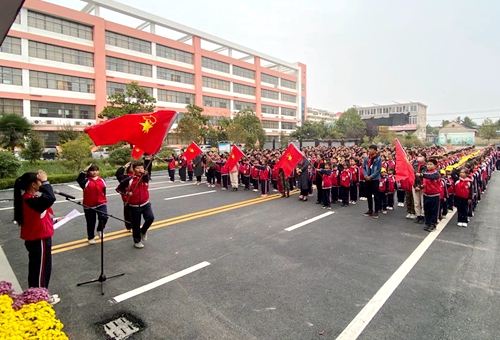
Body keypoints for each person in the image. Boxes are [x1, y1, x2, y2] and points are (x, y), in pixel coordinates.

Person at [14, 170, 60, 305]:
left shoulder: (30, 200)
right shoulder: (29, 200)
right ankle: (39, 299)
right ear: (33, 184)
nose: (42, 184)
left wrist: (55, 221)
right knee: (40, 270)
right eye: (40, 181)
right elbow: (50, 198)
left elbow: (36, 218)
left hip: (38, 236)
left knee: (40, 268)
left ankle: (39, 294)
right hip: (38, 238)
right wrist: (46, 182)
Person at [117, 161, 155, 248]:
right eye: (137, 168)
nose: (140, 170)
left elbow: (146, 178)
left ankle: (143, 231)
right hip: (133, 206)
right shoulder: (129, 179)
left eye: (141, 168)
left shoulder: (145, 177)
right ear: (133, 170)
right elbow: (119, 188)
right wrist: (126, 193)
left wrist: (145, 173)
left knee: (150, 218)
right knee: (136, 224)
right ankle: (137, 241)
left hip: (145, 203)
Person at [77, 164, 108, 244]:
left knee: (104, 217)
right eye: (92, 170)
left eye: (96, 170)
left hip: (101, 203)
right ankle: (91, 237)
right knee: (90, 222)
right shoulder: (86, 181)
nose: (94, 172)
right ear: (89, 172)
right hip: (89, 205)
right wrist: (84, 171)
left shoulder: (102, 180)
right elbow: (79, 180)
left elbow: (103, 190)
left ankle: (100, 229)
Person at [416, 158, 440, 232]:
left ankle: (433, 224)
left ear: (435, 165)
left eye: (431, 164)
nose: (429, 166)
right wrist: (421, 186)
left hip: (434, 195)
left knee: (434, 211)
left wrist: (421, 174)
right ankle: (427, 223)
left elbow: (431, 176)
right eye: (428, 164)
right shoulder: (426, 173)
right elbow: (425, 182)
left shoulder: (436, 173)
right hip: (426, 194)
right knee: (427, 210)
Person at [362, 144, 382, 218]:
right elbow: (364, 168)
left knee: (376, 195)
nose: (370, 150)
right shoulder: (367, 158)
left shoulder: (378, 159)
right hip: (367, 179)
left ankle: (376, 211)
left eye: (371, 149)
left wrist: (371, 176)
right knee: (368, 195)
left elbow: (378, 170)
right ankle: (370, 209)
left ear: (375, 150)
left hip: (375, 179)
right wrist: (366, 175)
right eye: (369, 149)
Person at [115, 161, 133, 232]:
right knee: (128, 213)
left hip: (137, 198)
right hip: (127, 198)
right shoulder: (125, 177)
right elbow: (118, 174)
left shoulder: (138, 176)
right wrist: (124, 167)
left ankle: (135, 225)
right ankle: (129, 226)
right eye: (131, 167)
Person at [412, 152, 427, 224]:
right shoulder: (414, 165)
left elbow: (426, 176)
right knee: (416, 202)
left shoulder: (427, 166)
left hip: (423, 186)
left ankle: (423, 215)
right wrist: (415, 186)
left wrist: (420, 186)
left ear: (424, 157)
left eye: (421, 156)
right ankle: (418, 215)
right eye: (418, 156)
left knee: (423, 202)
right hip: (415, 185)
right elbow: (412, 175)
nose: (419, 157)